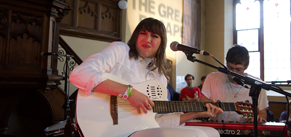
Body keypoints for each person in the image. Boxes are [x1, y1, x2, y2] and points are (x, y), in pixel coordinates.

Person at [69, 17, 223, 137]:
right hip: (105, 127)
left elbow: (157, 121)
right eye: (143, 33)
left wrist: (197, 113)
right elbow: (79, 74)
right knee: (196, 135)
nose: (147, 39)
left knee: (211, 133)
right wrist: (129, 92)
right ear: (136, 36)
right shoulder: (120, 50)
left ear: (161, 43)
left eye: (154, 36)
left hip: (138, 130)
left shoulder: (160, 76)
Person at [200, 45, 269, 122]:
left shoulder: (257, 83)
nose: (233, 73)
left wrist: (259, 117)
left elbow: (263, 113)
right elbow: (202, 101)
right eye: (230, 68)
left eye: (238, 69)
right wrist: (208, 105)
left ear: (246, 66)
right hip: (216, 128)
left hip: (246, 130)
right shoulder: (212, 78)